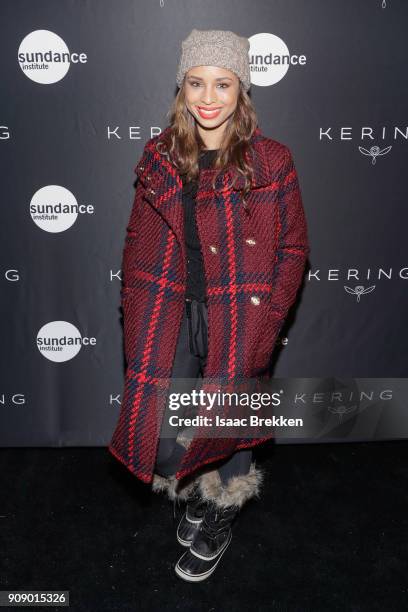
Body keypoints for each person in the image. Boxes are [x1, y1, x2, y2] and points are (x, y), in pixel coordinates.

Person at [109, 28, 310, 582]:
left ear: (241, 90)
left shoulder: (271, 161)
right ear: (182, 87)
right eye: (196, 82)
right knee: (161, 430)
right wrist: (135, 304)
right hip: (172, 311)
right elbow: (138, 240)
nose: (208, 97)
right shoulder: (161, 155)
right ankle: (194, 485)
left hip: (241, 315)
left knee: (231, 419)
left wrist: (268, 322)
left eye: (223, 84)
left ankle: (218, 510)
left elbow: (294, 250)